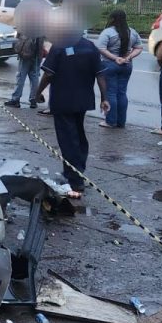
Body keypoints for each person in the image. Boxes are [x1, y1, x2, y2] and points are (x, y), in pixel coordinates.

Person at [33, 33, 109, 199]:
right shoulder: (90, 46)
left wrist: (37, 92)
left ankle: (74, 179)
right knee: (78, 135)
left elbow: (48, 74)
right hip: (83, 101)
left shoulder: (59, 46)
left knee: (68, 140)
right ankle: (78, 170)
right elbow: (100, 74)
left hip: (63, 100)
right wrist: (104, 98)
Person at [96, 9, 142, 128]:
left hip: (109, 65)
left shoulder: (108, 32)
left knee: (111, 92)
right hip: (126, 65)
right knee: (122, 93)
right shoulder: (132, 32)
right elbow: (139, 47)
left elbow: (100, 48)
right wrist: (128, 56)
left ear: (112, 18)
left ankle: (110, 121)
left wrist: (115, 58)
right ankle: (121, 122)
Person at [4, 32, 44, 108]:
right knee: (34, 77)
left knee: (20, 77)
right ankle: (33, 100)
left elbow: (19, 36)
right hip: (37, 54)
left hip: (26, 54)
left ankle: (16, 99)